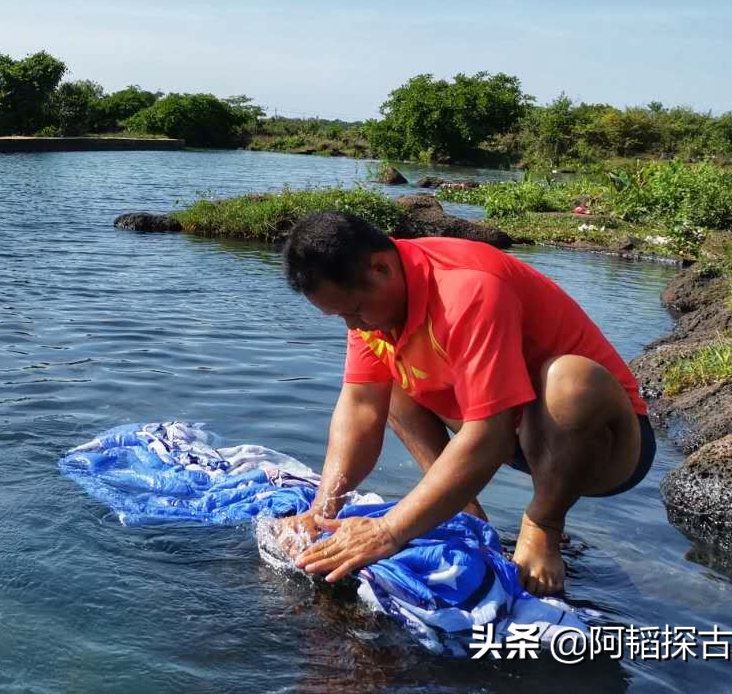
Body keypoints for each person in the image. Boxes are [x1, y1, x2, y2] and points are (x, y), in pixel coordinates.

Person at [274, 212, 654, 597]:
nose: (354, 327)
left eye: (354, 312)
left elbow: (491, 435)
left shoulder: (469, 287)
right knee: (391, 382)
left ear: (381, 267)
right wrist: (323, 511)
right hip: (518, 436)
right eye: (342, 317)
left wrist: (387, 531)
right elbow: (360, 407)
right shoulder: (376, 313)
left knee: (570, 380)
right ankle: (464, 510)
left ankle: (544, 523)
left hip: (600, 446)